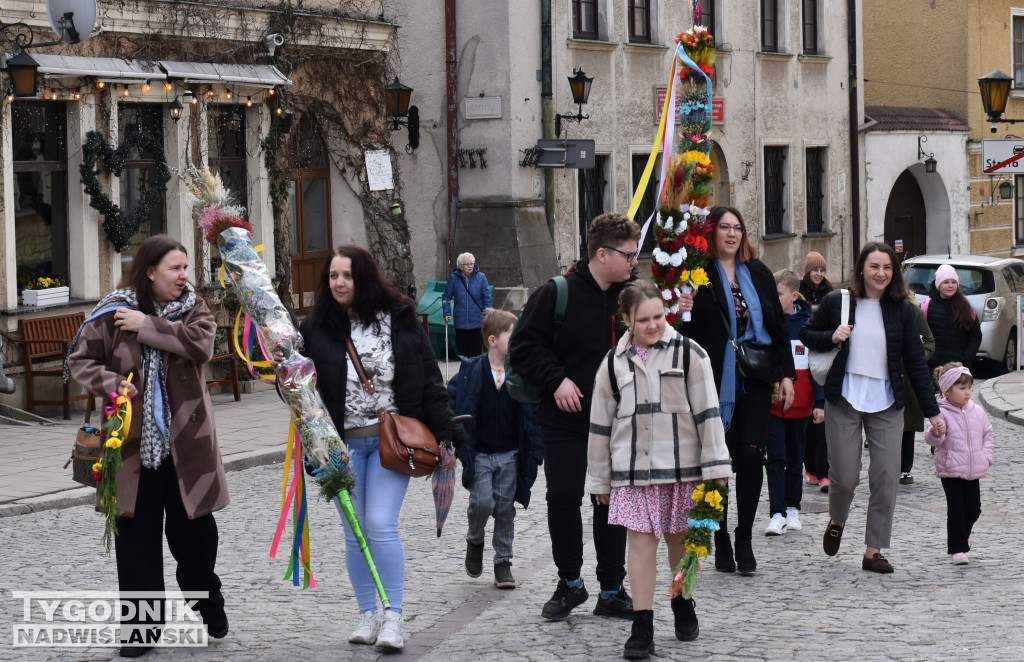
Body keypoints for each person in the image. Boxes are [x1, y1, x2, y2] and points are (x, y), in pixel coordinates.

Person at [66, 234, 229, 658]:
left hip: (187, 449)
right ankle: (140, 631)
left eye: (185, 267)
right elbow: (79, 360)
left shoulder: (196, 309)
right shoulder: (113, 312)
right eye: (175, 268)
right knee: (135, 542)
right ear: (151, 272)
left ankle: (205, 597)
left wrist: (148, 327)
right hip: (132, 447)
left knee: (194, 537)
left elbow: (201, 346)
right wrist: (112, 383)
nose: (184, 276)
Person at [298, 245, 455, 651]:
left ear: (364, 277)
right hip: (341, 449)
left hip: (390, 445)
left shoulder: (398, 317)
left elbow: (428, 379)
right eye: (333, 276)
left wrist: (447, 432)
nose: (339, 282)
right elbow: (301, 392)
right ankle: (367, 613)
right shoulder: (317, 327)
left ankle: (394, 617)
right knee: (355, 532)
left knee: (380, 524)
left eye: (347, 275)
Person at [586, 281, 732, 657]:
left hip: (683, 469)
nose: (654, 325)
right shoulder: (612, 363)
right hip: (633, 472)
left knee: (680, 543)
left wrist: (717, 466)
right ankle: (642, 624)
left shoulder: (690, 354)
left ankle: (682, 601)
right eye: (644, 320)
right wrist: (599, 478)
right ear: (626, 320)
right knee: (639, 544)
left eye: (658, 316)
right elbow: (601, 425)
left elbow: (709, 415)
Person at [509, 212, 640, 621]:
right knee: (563, 497)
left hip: (618, 422)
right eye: (629, 254)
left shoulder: (632, 296)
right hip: (566, 418)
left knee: (611, 503)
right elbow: (525, 348)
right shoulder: (557, 292)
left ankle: (612, 589)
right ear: (603, 254)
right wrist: (557, 380)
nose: (635, 261)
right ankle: (569, 584)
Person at [800, 241, 944, 574]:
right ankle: (837, 518)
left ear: (893, 273)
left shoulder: (903, 311)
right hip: (845, 397)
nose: (880, 273)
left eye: (887, 268)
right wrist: (832, 337)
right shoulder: (838, 301)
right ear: (861, 269)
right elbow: (808, 333)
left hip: (886, 402)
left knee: (886, 475)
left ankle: (873, 550)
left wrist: (933, 412)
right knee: (845, 476)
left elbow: (916, 364)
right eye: (874, 266)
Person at [677, 206, 796, 575]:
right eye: (724, 227)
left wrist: (787, 376)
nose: (732, 234)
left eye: (738, 228)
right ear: (711, 233)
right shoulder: (696, 274)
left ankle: (744, 535)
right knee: (716, 462)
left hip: (756, 378)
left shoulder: (758, 273)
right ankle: (722, 537)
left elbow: (777, 327)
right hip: (711, 381)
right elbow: (681, 333)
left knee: (748, 456)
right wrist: (680, 308)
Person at [447, 308, 544, 590]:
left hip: (511, 453)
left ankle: (503, 562)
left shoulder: (521, 374)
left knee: (504, 508)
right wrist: (454, 439)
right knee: (482, 502)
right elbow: (450, 403)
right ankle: (475, 540)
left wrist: (536, 451)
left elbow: (533, 416)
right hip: (480, 455)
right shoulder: (470, 372)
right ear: (492, 340)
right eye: (512, 337)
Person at [764, 270, 824, 536]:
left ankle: (793, 509)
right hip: (773, 405)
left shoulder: (808, 325)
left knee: (795, 457)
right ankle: (776, 512)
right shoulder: (766, 323)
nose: (773, 298)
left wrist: (820, 402)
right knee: (775, 458)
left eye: (778, 293)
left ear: (794, 295)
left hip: (801, 405)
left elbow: (817, 367)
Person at [924, 362, 994, 565]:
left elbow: (988, 434)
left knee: (974, 509)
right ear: (946, 391)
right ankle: (958, 549)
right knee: (956, 508)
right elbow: (932, 440)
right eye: (961, 388)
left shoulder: (977, 411)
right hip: (951, 469)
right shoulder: (940, 413)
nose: (967, 393)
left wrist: (986, 456)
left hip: (974, 469)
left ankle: (964, 534)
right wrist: (937, 432)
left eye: (969, 388)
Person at [799, 251, 833, 492]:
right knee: (809, 423)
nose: (819, 274)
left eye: (822, 270)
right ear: (807, 271)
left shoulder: (829, 293)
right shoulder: (799, 292)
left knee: (821, 422)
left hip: (821, 353)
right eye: (815, 270)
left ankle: (823, 472)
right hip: (801, 355)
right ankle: (810, 467)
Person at [899, 293, 935, 485]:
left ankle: (905, 468)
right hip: (886, 376)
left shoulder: (913, 311)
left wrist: (919, 359)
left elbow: (929, 341)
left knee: (908, 425)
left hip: (910, 377)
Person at [923, 264, 982, 370]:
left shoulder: (966, 308)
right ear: (938, 284)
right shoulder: (926, 306)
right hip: (933, 368)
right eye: (946, 282)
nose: (950, 286)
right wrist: (927, 357)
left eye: (954, 282)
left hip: (958, 368)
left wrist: (963, 359)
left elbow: (975, 336)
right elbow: (918, 335)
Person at [443, 252, 493, 357]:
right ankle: (465, 373)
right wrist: (446, 313)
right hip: (460, 323)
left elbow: (487, 299)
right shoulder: (454, 278)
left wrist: (488, 316)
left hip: (477, 322)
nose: (470, 266)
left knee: (476, 354)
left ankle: (475, 373)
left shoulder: (481, 278)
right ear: (460, 266)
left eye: (472, 263)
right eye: (467, 264)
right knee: (463, 354)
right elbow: (446, 297)